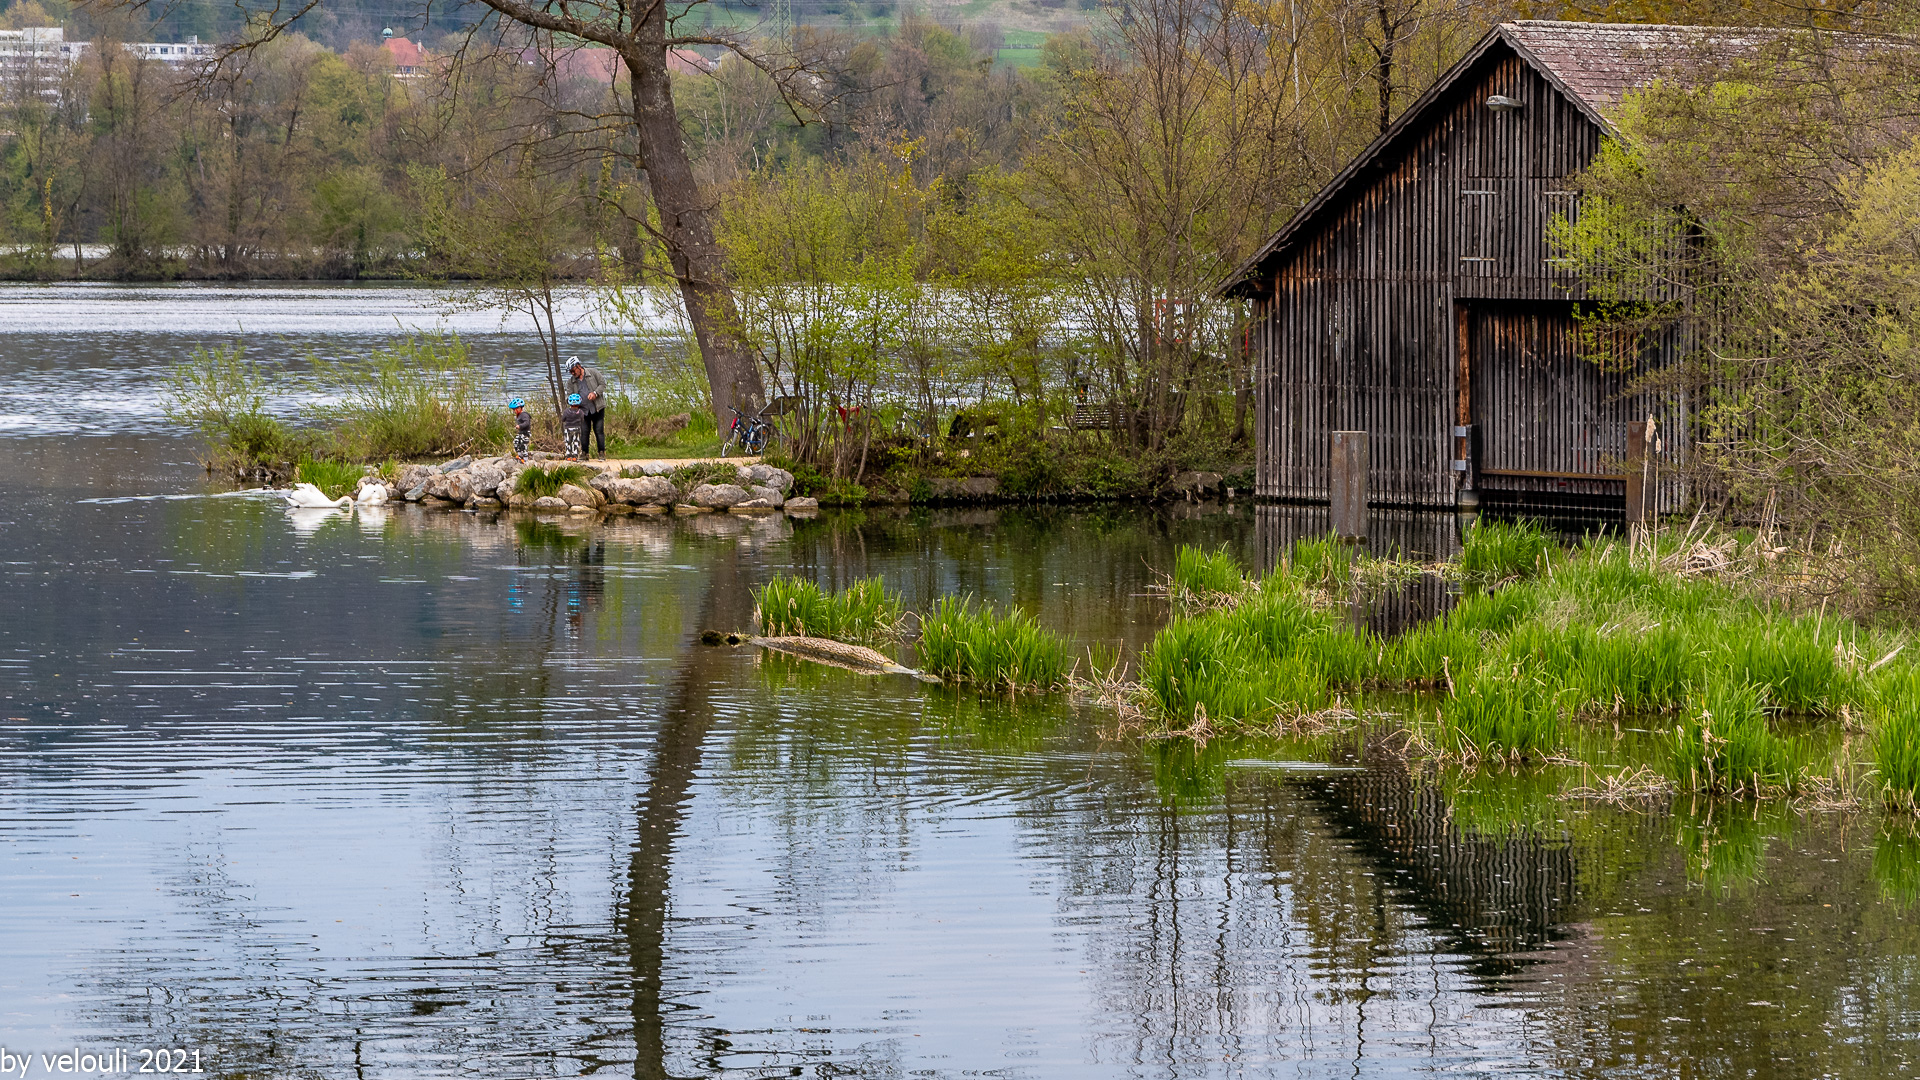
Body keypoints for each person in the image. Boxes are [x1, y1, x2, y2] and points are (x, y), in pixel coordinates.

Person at [565, 356, 608, 460]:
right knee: (584, 432)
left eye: (573, 370)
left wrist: (595, 393)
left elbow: (603, 384)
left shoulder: (593, 373)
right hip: (583, 411)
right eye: (570, 372)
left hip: (597, 408)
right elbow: (568, 396)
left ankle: (601, 453)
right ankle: (584, 454)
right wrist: (573, 403)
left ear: (578, 366)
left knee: (599, 430)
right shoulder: (570, 382)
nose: (572, 373)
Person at [561, 393, 587, 461]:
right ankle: (575, 456)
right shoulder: (580, 412)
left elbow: (563, 419)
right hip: (577, 428)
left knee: (568, 441)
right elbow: (582, 419)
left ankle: (568, 456)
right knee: (576, 441)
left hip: (568, 429)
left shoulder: (566, 411)